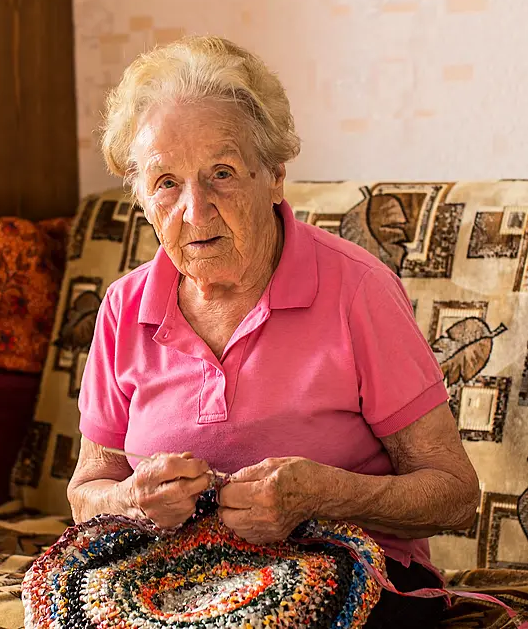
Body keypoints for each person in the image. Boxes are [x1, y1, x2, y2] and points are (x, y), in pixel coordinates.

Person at [67, 35, 479, 628]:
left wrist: (326, 495)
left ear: (275, 175)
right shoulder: (124, 307)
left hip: (346, 571)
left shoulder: (356, 290)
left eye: (222, 173)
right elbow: (88, 490)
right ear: (141, 199)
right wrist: (132, 501)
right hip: (175, 577)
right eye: (166, 183)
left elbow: (456, 495)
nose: (195, 209)